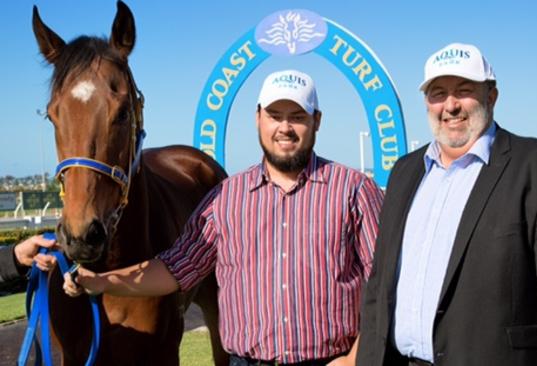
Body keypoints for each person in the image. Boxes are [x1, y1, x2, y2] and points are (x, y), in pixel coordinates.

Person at [63, 69, 385, 366]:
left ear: (317, 120)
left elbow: (385, 286)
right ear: (258, 118)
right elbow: (175, 268)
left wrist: (353, 359)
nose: (284, 127)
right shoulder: (225, 198)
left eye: (297, 116)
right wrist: (100, 281)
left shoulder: (355, 191)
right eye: (275, 115)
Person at [355, 43, 537, 366]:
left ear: (491, 96)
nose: (450, 105)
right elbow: (379, 285)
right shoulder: (405, 171)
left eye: (464, 90)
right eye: (438, 93)